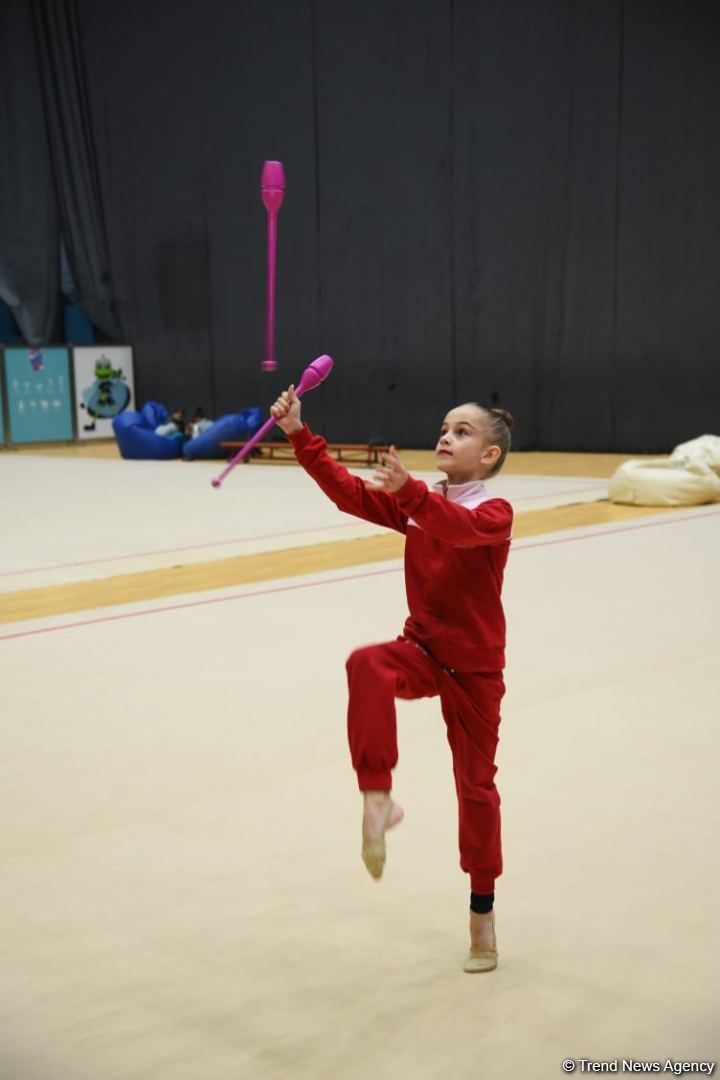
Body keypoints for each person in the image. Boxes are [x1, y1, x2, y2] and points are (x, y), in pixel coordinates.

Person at [270, 385, 514, 973]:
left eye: (461, 431)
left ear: (489, 456)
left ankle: (482, 917)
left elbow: (455, 528)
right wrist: (300, 434)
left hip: (476, 673)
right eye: (444, 427)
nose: (445, 436)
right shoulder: (421, 503)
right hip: (423, 651)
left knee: (476, 789)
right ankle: (378, 798)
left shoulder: (493, 514)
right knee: (366, 663)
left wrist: (409, 494)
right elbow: (349, 494)